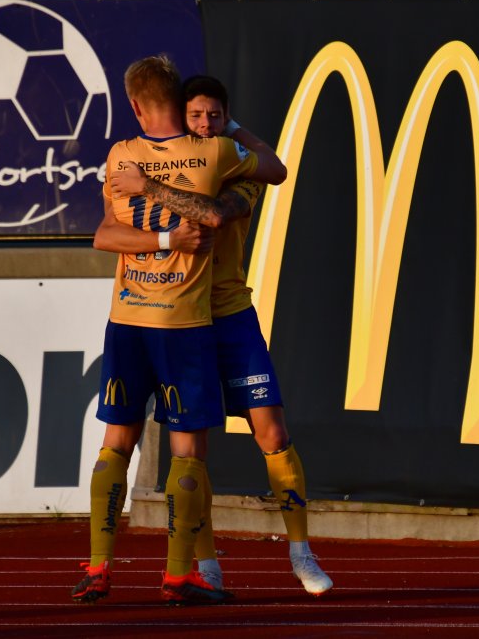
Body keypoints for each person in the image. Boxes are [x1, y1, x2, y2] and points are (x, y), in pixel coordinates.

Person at [73, 56, 287, 606]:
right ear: (179, 101)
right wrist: (232, 127)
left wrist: (153, 228)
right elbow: (274, 167)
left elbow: (104, 235)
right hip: (182, 322)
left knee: (115, 441)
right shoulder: (216, 152)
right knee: (187, 449)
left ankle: (98, 567)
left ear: (135, 104)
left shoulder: (121, 156)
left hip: (127, 318)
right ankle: (176, 576)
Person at [108, 76, 333, 596]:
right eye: (196, 115)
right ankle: (206, 563)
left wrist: (152, 185)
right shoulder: (172, 159)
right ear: (181, 118)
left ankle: (301, 552)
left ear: (227, 118)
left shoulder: (232, 163)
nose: (205, 124)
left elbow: (219, 208)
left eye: (216, 115)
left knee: (272, 433)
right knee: (195, 449)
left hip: (231, 313)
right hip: (182, 319)